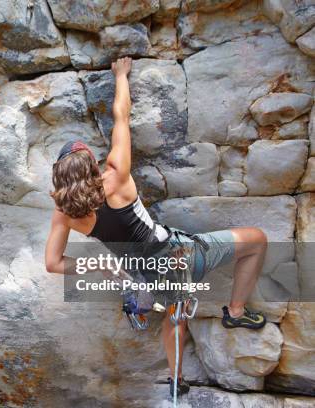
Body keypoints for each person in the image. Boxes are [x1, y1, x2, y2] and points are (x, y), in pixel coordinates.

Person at [44, 57, 268, 397]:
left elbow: (53, 263)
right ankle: (235, 311)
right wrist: (121, 75)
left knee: (173, 310)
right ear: (91, 165)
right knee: (256, 240)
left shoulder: (64, 212)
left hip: (139, 272)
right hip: (176, 253)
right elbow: (122, 116)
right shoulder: (116, 175)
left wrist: (99, 265)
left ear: (60, 177)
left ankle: (173, 374)